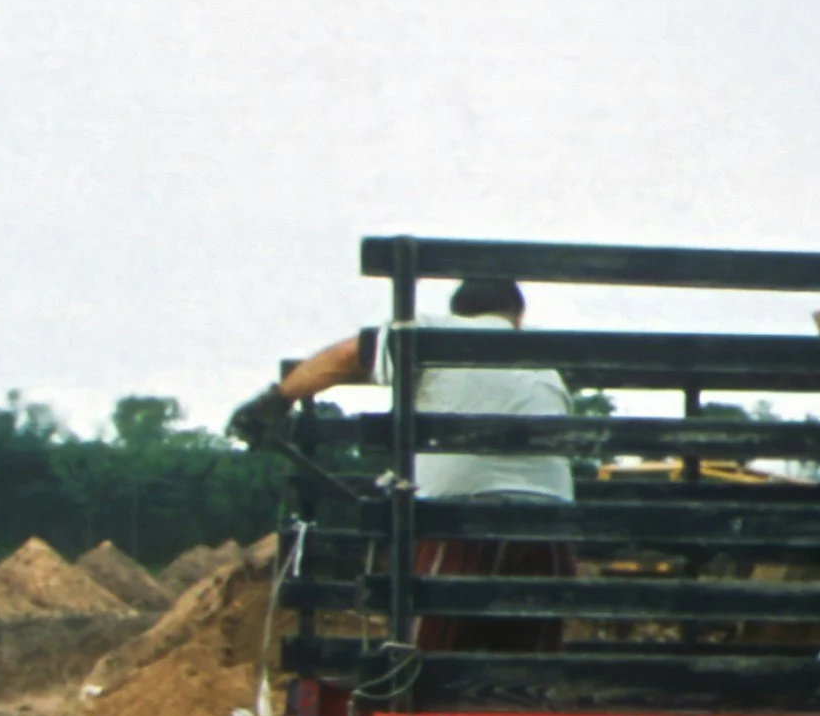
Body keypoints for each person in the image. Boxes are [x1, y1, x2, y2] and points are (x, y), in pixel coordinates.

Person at [230, 277, 575, 650]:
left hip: (461, 523)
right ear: (517, 316)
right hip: (550, 528)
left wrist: (277, 400)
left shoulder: (434, 333)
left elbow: (346, 357)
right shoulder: (544, 361)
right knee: (527, 667)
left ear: (457, 312)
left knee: (426, 664)